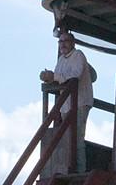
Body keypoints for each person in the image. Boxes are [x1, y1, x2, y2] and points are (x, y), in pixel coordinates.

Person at [39, 27, 96, 165]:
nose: (63, 44)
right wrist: (48, 77)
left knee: (77, 138)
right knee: (68, 138)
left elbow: (74, 76)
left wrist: (55, 76)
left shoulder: (78, 55)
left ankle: (79, 169)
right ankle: (69, 166)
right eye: (60, 41)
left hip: (80, 102)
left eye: (66, 41)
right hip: (66, 105)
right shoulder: (61, 60)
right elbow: (59, 78)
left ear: (73, 43)